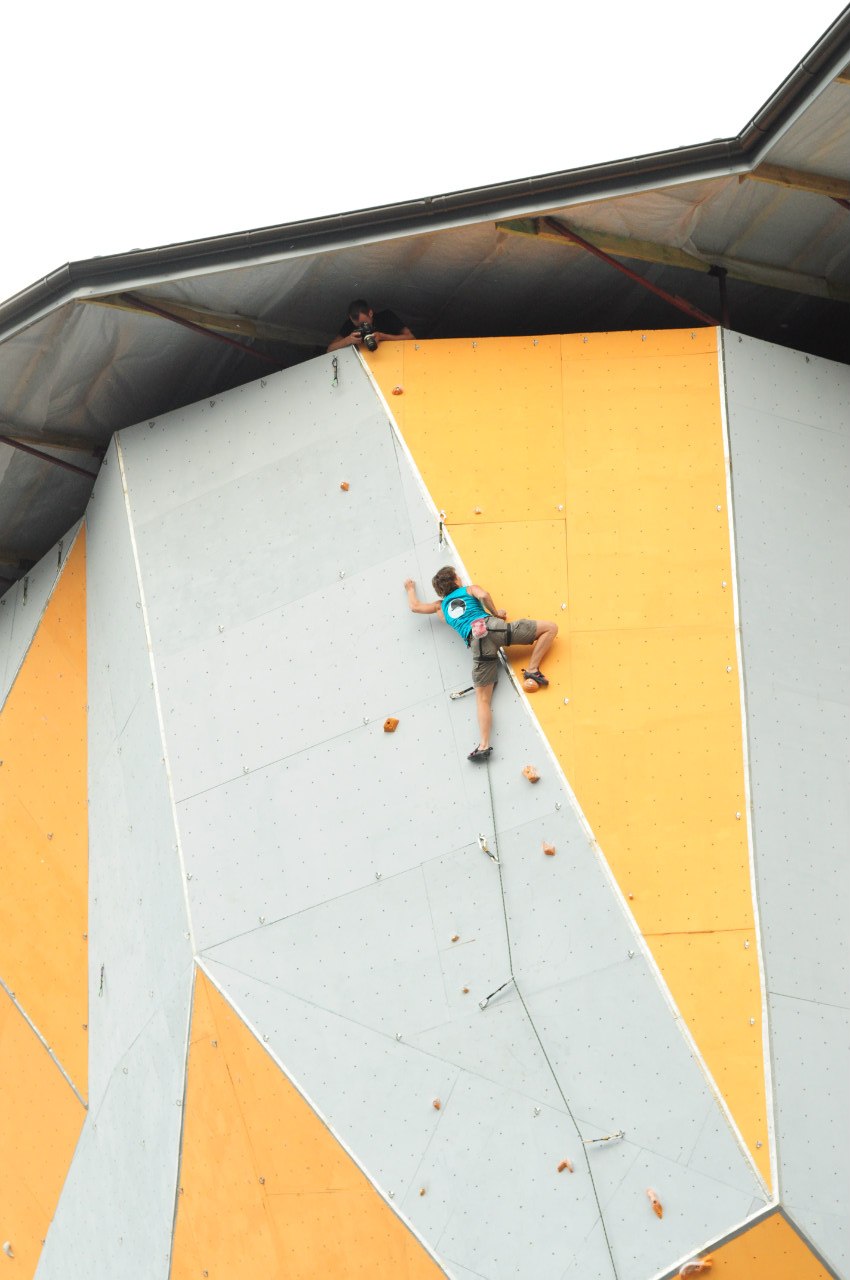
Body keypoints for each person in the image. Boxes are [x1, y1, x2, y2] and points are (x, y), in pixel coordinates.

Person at [404, 567, 558, 762]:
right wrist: (497, 614)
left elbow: (415, 607)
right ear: (455, 580)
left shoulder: (439, 606)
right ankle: (532, 669)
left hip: (476, 643)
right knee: (550, 628)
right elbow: (484, 595)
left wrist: (410, 588)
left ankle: (483, 745)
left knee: (482, 700)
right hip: (493, 627)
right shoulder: (468, 589)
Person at [327, 299, 415, 352]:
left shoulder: (386, 316)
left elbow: (411, 337)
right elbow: (330, 349)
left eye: (363, 324)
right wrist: (348, 340)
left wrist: (382, 336)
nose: (361, 328)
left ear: (370, 313)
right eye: (358, 326)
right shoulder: (349, 324)